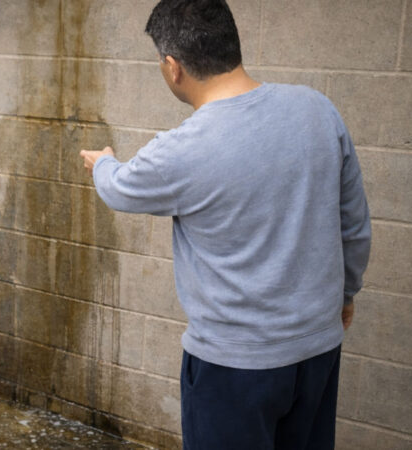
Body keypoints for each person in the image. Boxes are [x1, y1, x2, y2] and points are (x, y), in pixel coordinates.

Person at [79, 0, 371, 448]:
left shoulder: (183, 149)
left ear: (172, 67)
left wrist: (103, 162)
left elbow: (119, 188)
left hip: (234, 367)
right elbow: (352, 221)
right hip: (317, 349)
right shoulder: (317, 110)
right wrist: (346, 292)